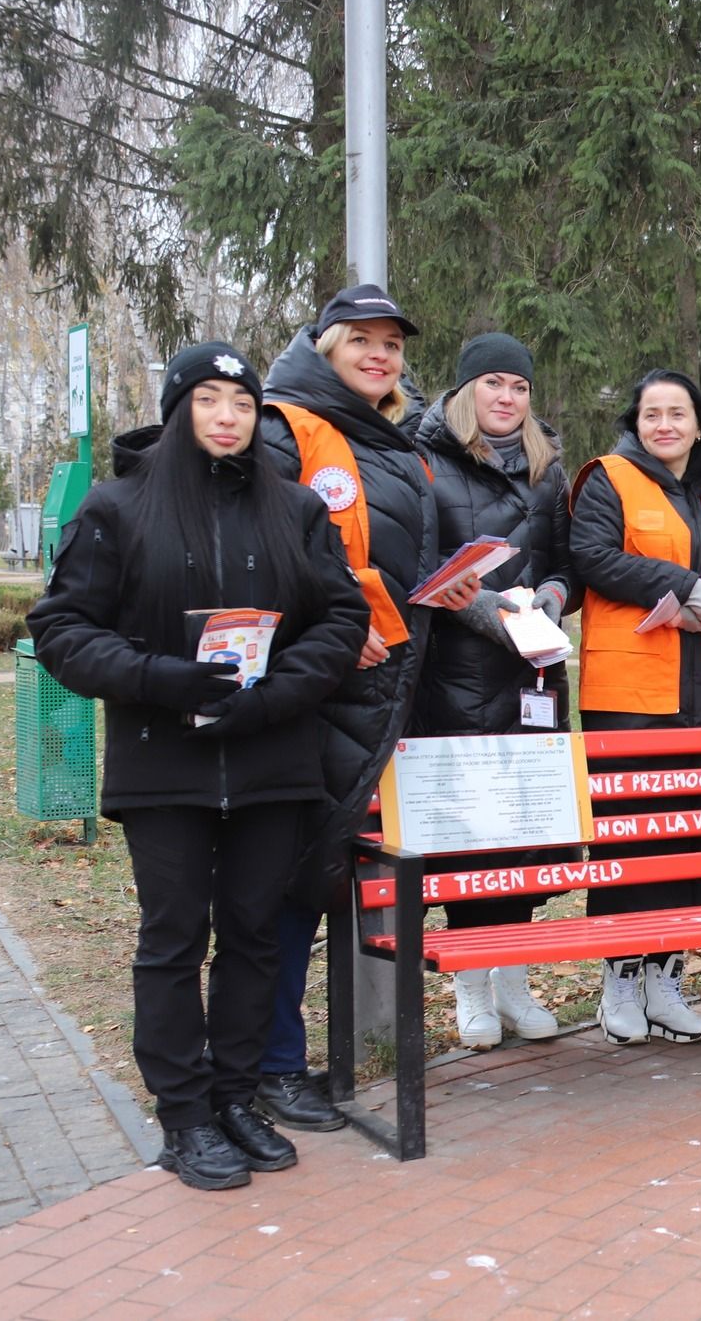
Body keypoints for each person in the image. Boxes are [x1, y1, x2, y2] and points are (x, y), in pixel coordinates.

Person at [27, 343, 368, 1189]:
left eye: (242, 403)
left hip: (270, 757)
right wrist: (157, 676)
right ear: (180, 409)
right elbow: (62, 628)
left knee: (255, 935)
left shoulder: (294, 510)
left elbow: (339, 618)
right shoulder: (118, 508)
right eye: (209, 399)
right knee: (174, 938)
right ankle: (184, 1115)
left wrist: (274, 695)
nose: (227, 416)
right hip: (163, 763)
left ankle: (235, 1095)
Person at [253, 284, 481, 1132]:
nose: (381, 355)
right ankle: (265, 1063)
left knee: (308, 881)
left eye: (391, 344)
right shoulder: (288, 426)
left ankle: (275, 1057)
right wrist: (328, 628)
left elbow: (379, 554)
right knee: (280, 883)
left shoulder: (391, 441)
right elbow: (259, 551)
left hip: (377, 694)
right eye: (363, 340)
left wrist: (442, 585)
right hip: (312, 693)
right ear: (325, 344)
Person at [569, 369, 701, 1044]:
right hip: (631, 699)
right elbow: (592, 556)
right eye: (651, 412)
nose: (664, 424)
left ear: (697, 422)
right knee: (637, 838)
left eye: (676, 413)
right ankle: (621, 978)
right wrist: (685, 584)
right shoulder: (609, 478)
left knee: (699, 841)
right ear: (636, 420)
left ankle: (668, 976)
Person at [409, 333, 573, 1049]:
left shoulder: (547, 469)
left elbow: (569, 559)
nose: (507, 398)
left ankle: (513, 981)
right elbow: (416, 568)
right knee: (471, 841)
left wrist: (554, 598)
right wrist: (495, 613)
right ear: (467, 389)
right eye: (494, 384)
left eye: (520, 386)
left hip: (535, 678)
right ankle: (470, 985)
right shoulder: (426, 462)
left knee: (526, 838)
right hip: (456, 680)